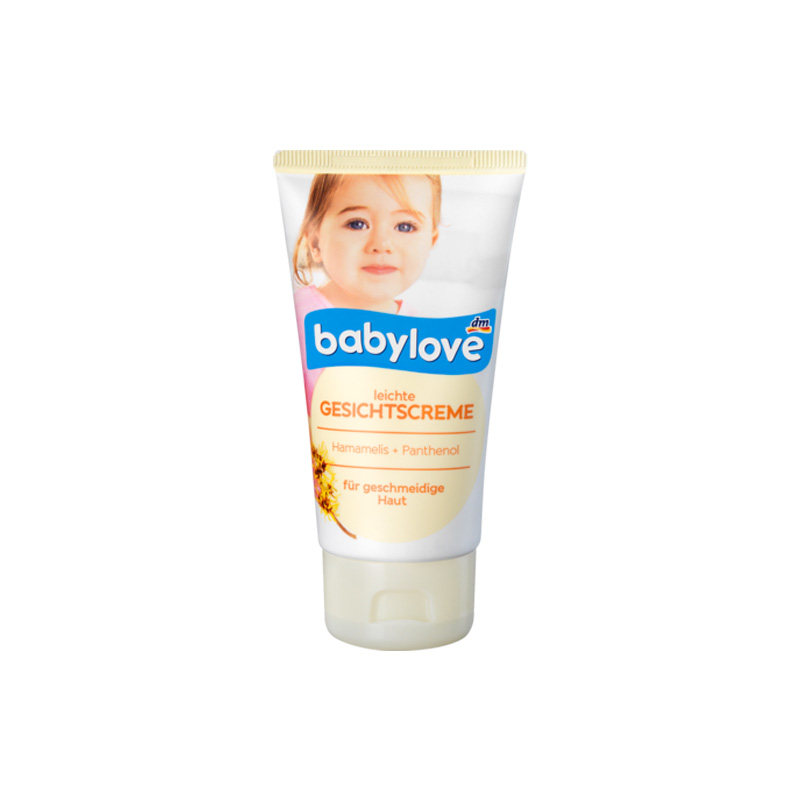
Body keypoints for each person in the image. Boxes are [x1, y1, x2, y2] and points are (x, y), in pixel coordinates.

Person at [292, 174, 441, 409]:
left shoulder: (425, 334)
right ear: (315, 242)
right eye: (357, 224)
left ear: (430, 242)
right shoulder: (299, 318)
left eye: (405, 226)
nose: (381, 244)